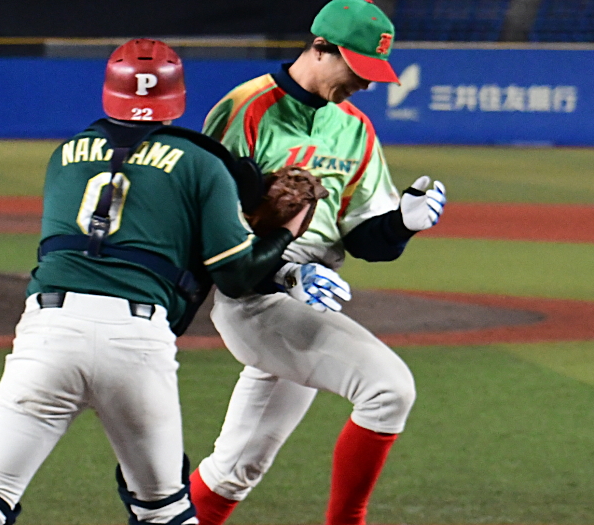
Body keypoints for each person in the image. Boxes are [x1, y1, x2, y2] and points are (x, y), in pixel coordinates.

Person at [0, 38, 315, 525]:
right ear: (177, 97)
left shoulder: (65, 155)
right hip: (136, 339)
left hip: (48, 332)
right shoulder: (202, 162)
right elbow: (235, 275)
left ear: (110, 92)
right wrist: (284, 231)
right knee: (164, 510)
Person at [188, 1, 447, 525]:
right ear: (321, 48)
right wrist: (283, 272)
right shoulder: (245, 109)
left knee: (235, 470)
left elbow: (364, 239)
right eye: (359, 68)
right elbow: (208, 226)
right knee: (388, 391)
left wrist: (402, 224)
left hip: (310, 295)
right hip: (255, 295)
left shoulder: (356, 128)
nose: (366, 84)